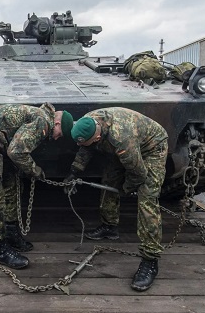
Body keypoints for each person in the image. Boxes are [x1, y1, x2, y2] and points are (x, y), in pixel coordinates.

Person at [0, 103, 73, 269]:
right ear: (56, 124)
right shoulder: (42, 122)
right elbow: (16, 152)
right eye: (59, 134)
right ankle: (1, 250)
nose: (56, 138)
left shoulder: (41, 117)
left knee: (12, 186)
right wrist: (35, 170)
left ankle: (11, 232)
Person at [65, 108, 168, 292]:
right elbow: (85, 149)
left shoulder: (122, 139)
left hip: (151, 147)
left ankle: (150, 260)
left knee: (147, 199)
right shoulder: (87, 123)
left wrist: (126, 189)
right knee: (109, 180)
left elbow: (138, 173)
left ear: (97, 138)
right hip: (125, 147)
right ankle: (109, 226)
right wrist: (74, 172)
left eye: (90, 143)